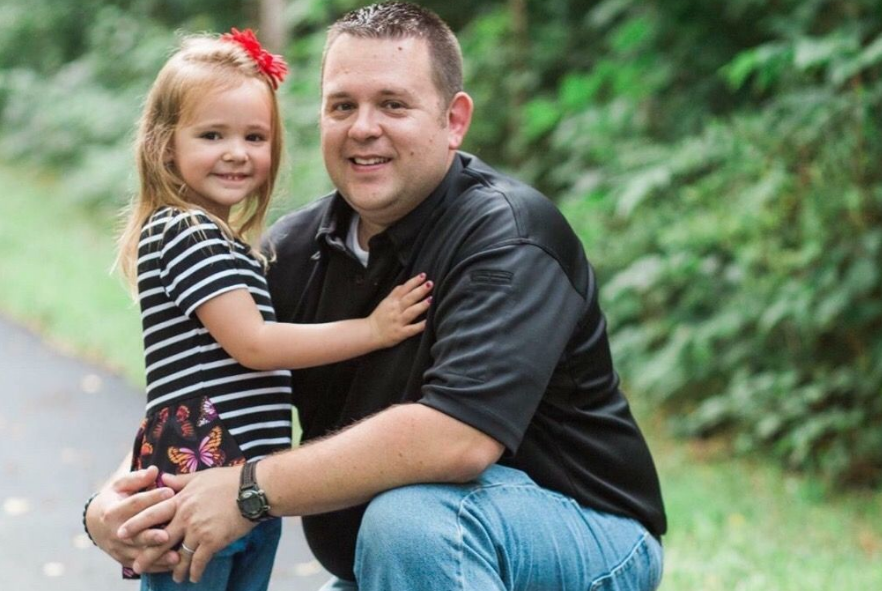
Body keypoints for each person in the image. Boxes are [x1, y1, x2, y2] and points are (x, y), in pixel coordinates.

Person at [86, 3, 668, 590]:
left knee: (410, 521)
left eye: (392, 104)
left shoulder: (509, 237)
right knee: (405, 530)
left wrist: (248, 490)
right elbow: (206, 389)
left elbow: (457, 440)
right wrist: (113, 504)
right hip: (396, 569)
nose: (363, 127)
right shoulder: (290, 253)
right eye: (343, 106)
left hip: (581, 540)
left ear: (453, 120)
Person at [97, 28, 433, 591]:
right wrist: (372, 331)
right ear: (165, 145)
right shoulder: (187, 231)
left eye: (255, 136)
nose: (237, 152)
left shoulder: (228, 243)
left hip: (239, 482)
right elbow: (254, 344)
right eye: (212, 134)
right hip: (202, 475)